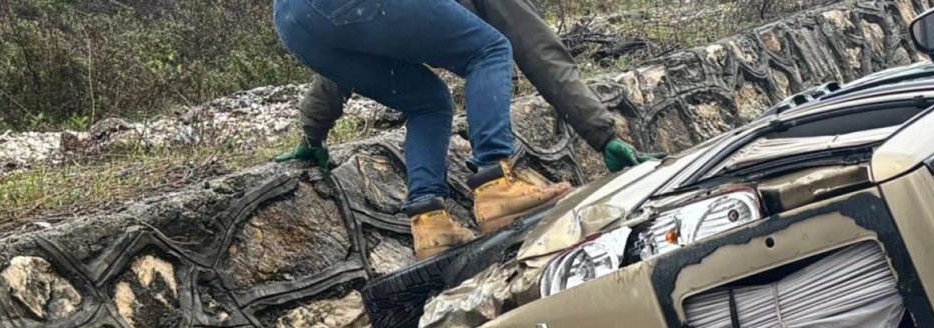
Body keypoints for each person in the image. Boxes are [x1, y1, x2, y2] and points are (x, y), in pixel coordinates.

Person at [273, 0, 663, 259]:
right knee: (489, 50)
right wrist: (604, 136)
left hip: (294, 22)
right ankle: (495, 182)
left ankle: (429, 221)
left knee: (427, 101)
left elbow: (339, 57)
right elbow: (537, 48)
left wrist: (312, 136)